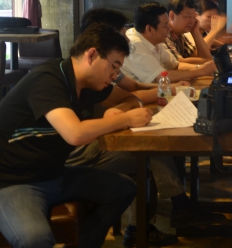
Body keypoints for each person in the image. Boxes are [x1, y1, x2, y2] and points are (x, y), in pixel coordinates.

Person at [68, 8, 221, 246]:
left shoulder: (110, 67)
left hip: (100, 139)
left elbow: (131, 89)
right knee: (149, 150)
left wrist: (169, 89)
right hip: (86, 149)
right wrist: (129, 110)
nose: (126, 41)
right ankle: (167, 211)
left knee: (150, 147)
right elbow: (121, 102)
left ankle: (150, 221)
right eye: (121, 36)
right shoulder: (91, 74)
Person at [0, 24, 152, 247]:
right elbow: (75, 134)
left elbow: (131, 98)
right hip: (14, 181)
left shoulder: (91, 85)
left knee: (124, 188)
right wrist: (125, 119)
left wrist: (117, 111)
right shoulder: (48, 79)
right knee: (35, 239)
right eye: (114, 66)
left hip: (55, 173)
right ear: (91, 55)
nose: (114, 76)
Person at [79, 8, 188, 104]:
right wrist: (169, 89)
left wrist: (169, 87)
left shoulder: (108, 65)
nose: (128, 40)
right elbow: (126, 98)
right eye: (123, 36)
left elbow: (133, 86)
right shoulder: (96, 73)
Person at [122, 2, 218, 83]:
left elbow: (175, 65)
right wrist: (200, 71)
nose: (169, 29)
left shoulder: (155, 39)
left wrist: (201, 67)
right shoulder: (135, 44)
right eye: (165, 25)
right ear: (149, 29)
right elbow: (161, 77)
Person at [164, 0, 214, 64]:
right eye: (188, 16)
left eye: (194, 17)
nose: (192, 21)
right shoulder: (164, 34)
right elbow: (177, 63)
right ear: (172, 16)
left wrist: (195, 32)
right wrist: (208, 61)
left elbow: (200, 56)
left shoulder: (181, 34)